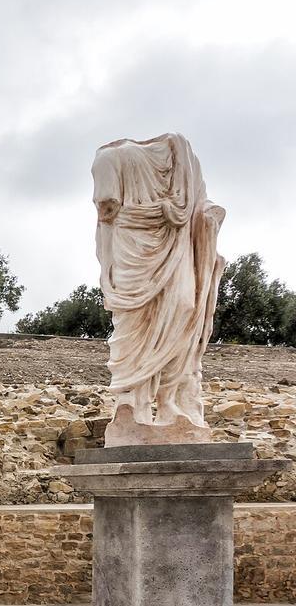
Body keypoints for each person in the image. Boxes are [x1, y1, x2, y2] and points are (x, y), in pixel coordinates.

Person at [92, 133, 225, 440]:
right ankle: (131, 403)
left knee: (184, 306)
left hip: (176, 245)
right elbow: (107, 210)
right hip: (132, 246)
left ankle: (173, 402)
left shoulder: (185, 158)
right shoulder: (108, 159)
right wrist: (109, 265)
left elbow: (201, 206)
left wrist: (208, 218)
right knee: (132, 321)